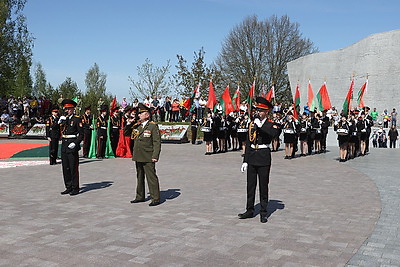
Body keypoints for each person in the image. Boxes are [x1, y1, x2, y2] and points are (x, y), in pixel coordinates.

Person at [239, 97, 279, 223]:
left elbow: (273, 134)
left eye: (261, 110)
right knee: (250, 186)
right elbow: (249, 142)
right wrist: (245, 160)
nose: (259, 112)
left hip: (263, 157)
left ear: (267, 111)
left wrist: (260, 126)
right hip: (252, 157)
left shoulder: (271, 124)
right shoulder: (252, 124)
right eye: (257, 110)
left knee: (263, 186)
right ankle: (249, 210)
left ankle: (263, 211)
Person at [125, 103, 162, 206]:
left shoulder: (152, 126)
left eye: (141, 114)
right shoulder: (137, 126)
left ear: (147, 115)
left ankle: (155, 198)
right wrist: (128, 124)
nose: (139, 115)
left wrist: (155, 156)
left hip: (148, 156)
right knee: (139, 177)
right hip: (138, 155)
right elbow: (126, 134)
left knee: (151, 177)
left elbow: (156, 142)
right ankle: (140, 196)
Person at [59, 99, 84, 196]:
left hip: (72, 144)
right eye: (66, 109)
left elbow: (81, 134)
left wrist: (76, 143)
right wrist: (58, 123)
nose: (67, 110)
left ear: (73, 109)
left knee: (73, 167)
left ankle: (75, 187)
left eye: (69, 109)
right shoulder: (64, 119)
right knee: (65, 167)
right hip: (65, 144)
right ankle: (68, 186)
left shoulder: (77, 119)